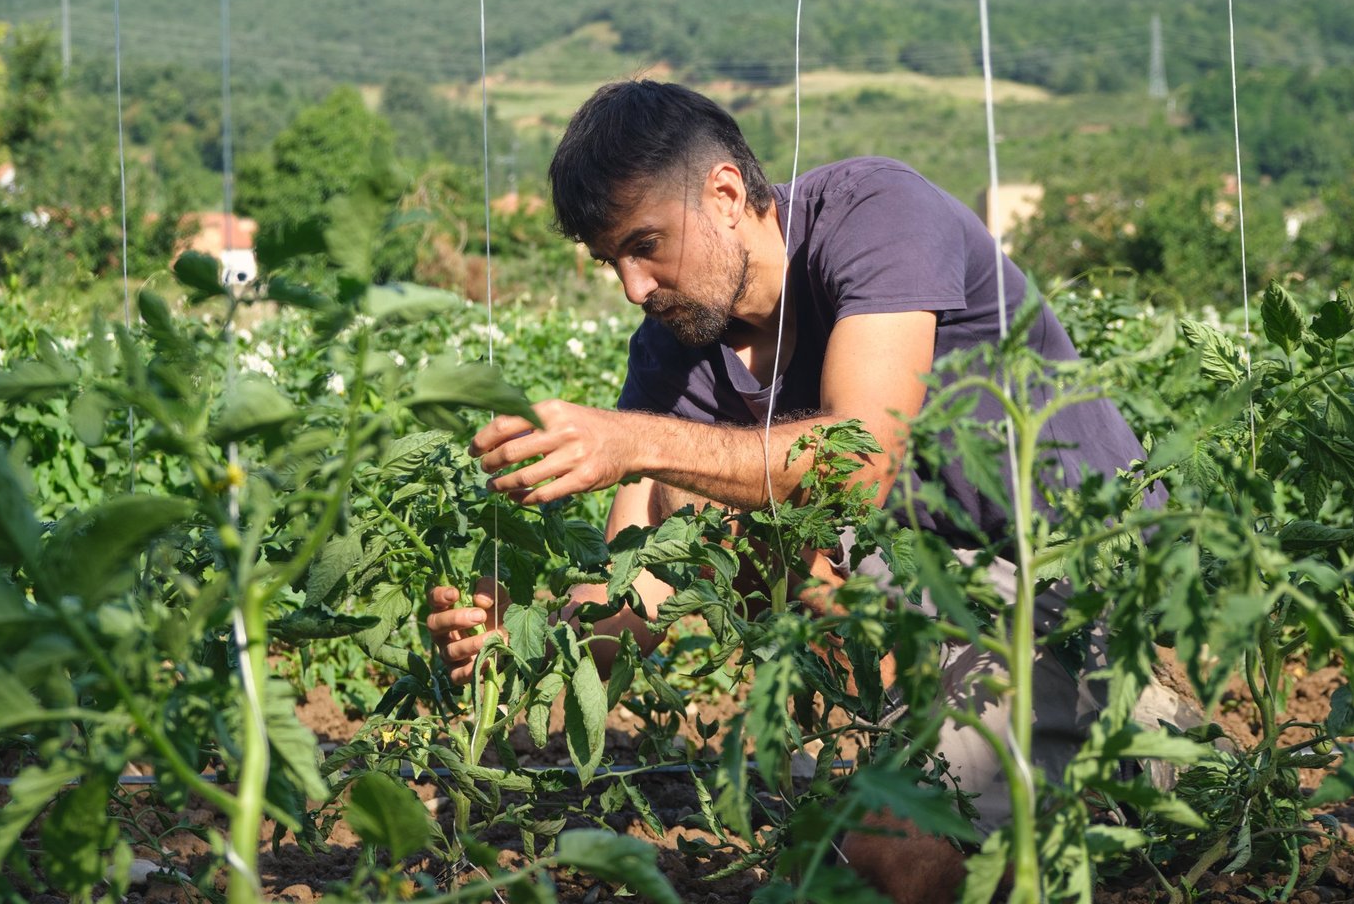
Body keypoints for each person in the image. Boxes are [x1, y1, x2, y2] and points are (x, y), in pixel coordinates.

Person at [426, 79, 1153, 902]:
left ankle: (1136, 737)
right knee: (689, 511)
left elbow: (860, 456)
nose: (633, 286)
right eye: (610, 263)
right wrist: (522, 645)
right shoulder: (675, 344)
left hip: (1070, 578)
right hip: (922, 601)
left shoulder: (877, 216)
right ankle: (963, 750)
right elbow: (640, 586)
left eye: (645, 245)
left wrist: (632, 440)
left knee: (894, 855)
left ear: (727, 194)